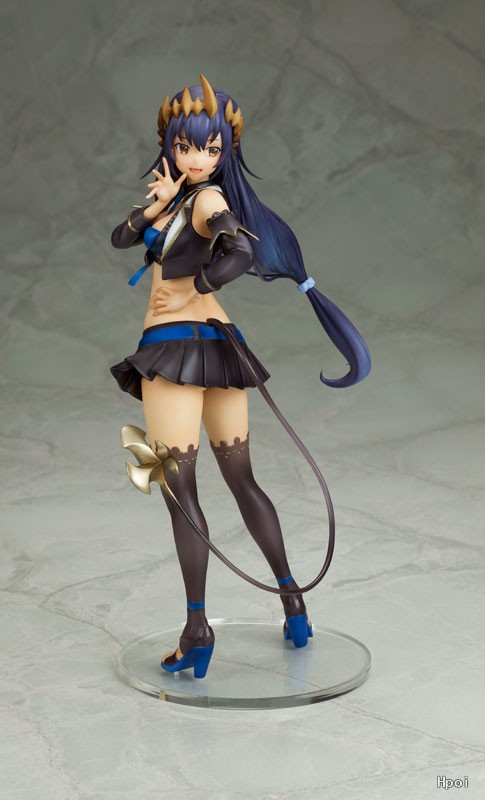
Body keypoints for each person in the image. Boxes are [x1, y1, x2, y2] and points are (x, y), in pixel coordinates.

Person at [110, 75, 370, 679]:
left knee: (181, 492)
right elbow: (122, 236)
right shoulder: (182, 199)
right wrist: (156, 203)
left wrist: (199, 283)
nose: (197, 158)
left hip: (174, 349)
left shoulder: (205, 201)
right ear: (170, 146)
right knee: (241, 479)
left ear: (224, 152)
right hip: (220, 348)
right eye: (186, 146)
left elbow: (240, 251)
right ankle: (294, 604)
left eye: (210, 148)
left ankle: (196, 630)